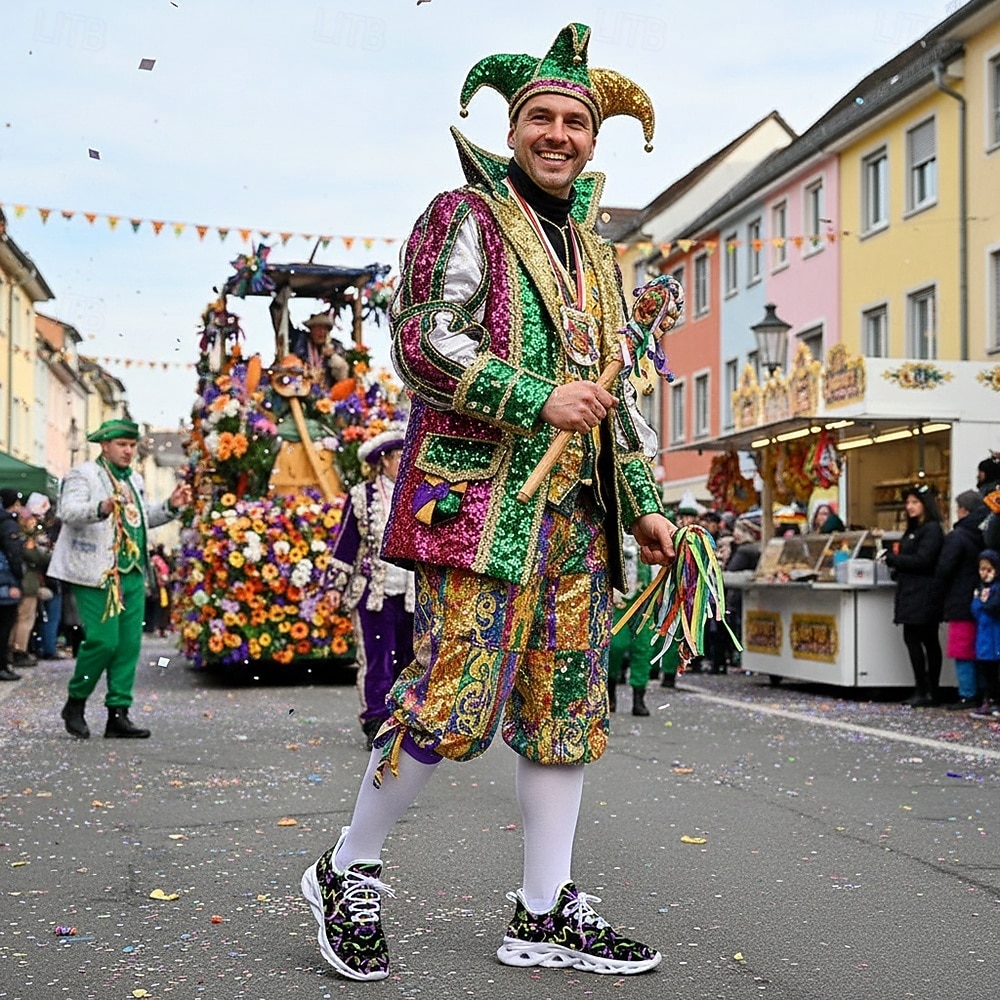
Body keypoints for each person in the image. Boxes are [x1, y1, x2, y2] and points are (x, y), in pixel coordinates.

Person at [300, 23, 675, 982]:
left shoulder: (597, 255)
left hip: (578, 519)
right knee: (449, 702)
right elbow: (423, 340)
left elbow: (614, 394)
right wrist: (532, 394)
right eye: (541, 118)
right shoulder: (462, 214)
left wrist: (642, 501)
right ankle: (347, 869)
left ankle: (543, 912)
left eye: (575, 122)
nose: (559, 134)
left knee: (567, 712)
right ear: (514, 131)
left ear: (595, 140)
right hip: (480, 508)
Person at [49, 418, 192, 740]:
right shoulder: (84, 475)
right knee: (103, 641)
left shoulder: (135, 480)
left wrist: (170, 506)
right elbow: (67, 512)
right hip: (95, 571)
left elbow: (140, 519)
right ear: (105, 445)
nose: (128, 451)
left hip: (132, 571)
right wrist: (101, 506)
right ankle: (76, 702)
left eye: (131, 446)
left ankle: (118, 714)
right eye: (122, 445)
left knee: (128, 646)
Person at [327, 423, 415, 749]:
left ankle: (404, 719)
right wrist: (335, 585)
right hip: (371, 593)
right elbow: (346, 544)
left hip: (411, 592)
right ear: (383, 460)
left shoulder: (417, 492)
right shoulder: (361, 496)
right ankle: (375, 720)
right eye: (397, 455)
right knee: (377, 659)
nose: (404, 460)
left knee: (409, 658)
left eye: (407, 454)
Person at [884, 484, 945, 707]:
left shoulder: (931, 530)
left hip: (925, 592)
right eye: (908, 503)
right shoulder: (913, 530)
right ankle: (922, 687)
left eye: (914, 503)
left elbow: (924, 560)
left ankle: (929, 689)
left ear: (925, 505)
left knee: (925, 640)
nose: (909, 507)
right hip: (910, 591)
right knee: (915, 639)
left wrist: (895, 560)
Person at [932, 490, 987, 709]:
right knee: (981, 648)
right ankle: (984, 692)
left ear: (963, 510)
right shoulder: (987, 532)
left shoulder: (958, 536)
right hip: (982, 597)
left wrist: (937, 592)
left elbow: (945, 568)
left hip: (960, 598)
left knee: (962, 648)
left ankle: (967, 693)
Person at [608, 534, 654, 715]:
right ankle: (610, 692)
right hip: (619, 602)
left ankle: (639, 698)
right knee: (615, 646)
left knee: (643, 649)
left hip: (643, 602)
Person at [9, 504, 48, 669]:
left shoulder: (13, 535)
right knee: (25, 619)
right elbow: (37, 557)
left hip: (18, 582)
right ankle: (19, 650)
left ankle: (10, 649)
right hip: (28, 582)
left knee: (15, 619)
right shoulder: (26, 539)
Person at [721, 516, 761, 669]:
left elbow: (731, 571)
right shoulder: (754, 548)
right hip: (747, 597)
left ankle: (739, 657)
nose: (736, 534)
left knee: (738, 628)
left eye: (740, 530)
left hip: (739, 597)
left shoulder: (745, 550)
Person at [969, 549, 1000, 719]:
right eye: (982, 569)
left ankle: (995, 700)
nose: (985, 573)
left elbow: (993, 608)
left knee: (995, 672)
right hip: (985, 639)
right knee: (987, 672)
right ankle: (989, 699)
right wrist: (980, 599)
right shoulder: (980, 589)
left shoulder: (997, 588)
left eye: (989, 569)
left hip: (996, 637)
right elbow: (976, 610)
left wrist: (985, 601)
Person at [0, 488, 25, 682]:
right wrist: (17, 577)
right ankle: (2, 665)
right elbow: (14, 554)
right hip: (5, 581)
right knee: (5, 625)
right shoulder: (8, 524)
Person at [287, 312, 349, 391]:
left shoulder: (336, 346)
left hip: (327, 393)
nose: (322, 332)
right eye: (318, 328)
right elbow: (284, 325)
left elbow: (342, 373)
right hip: (302, 389)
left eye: (325, 329)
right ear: (311, 329)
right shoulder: (300, 341)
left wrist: (332, 356)